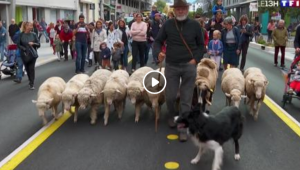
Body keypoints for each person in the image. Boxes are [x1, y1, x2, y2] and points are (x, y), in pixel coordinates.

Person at [154, 0, 205, 142]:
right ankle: (171, 115)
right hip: (171, 65)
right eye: (178, 9)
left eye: (183, 8)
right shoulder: (168, 24)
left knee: (186, 99)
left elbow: (201, 46)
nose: (181, 11)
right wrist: (158, 52)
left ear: (187, 9)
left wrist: (195, 60)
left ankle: (183, 127)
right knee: (170, 96)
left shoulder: (195, 25)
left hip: (189, 65)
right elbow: (157, 41)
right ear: (174, 10)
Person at [17, 21, 40, 90]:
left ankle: (31, 83)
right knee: (27, 69)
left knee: (31, 68)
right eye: (30, 25)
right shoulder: (21, 35)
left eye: (32, 26)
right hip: (24, 55)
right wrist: (24, 49)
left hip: (32, 54)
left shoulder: (34, 34)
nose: (32, 27)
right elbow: (18, 44)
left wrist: (33, 44)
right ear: (26, 27)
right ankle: (30, 79)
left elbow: (38, 44)